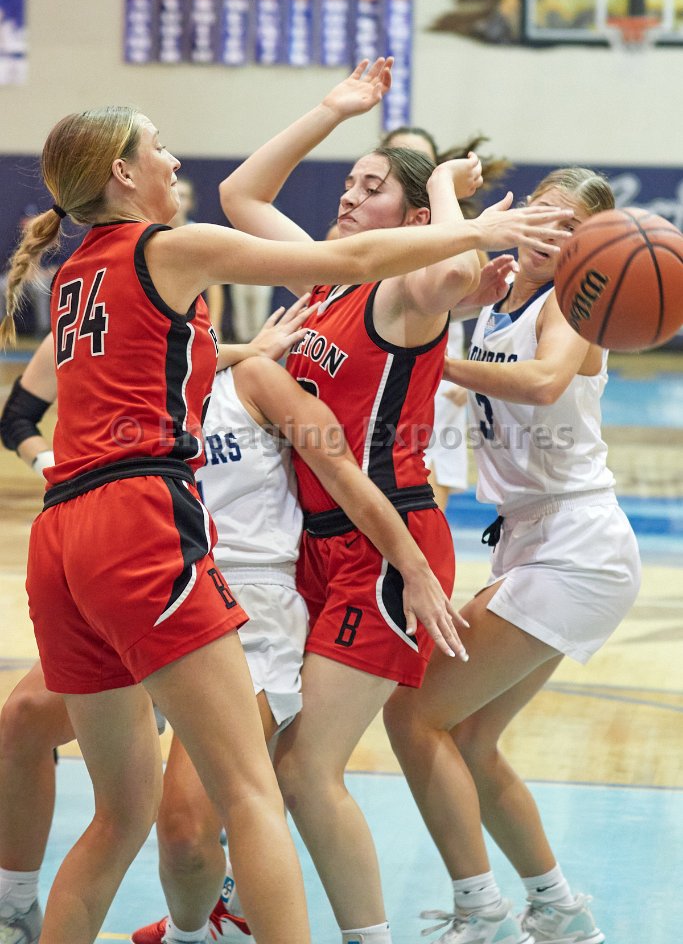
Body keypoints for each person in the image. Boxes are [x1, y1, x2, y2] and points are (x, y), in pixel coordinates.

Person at [0, 58, 570, 944]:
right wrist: (475, 224)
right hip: (141, 522)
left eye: (370, 184)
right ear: (122, 172)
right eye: (158, 147)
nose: (172, 159)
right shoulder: (173, 249)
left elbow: (165, 361)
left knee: (124, 815)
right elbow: (344, 254)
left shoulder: (78, 272)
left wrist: (374, 152)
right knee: (253, 791)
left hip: (68, 533)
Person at [218, 61, 573, 944]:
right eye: (348, 181)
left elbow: (452, 267)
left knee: (305, 770)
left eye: (370, 187)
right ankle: (239, 910)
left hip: (386, 547)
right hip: (314, 542)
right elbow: (238, 195)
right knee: (271, 761)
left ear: (413, 219)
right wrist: (331, 110)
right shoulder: (327, 276)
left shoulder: (406, 292)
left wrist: (447, 186)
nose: (348, 196)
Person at [0, 323, 461, 944]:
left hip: (250, 599)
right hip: (149, 578)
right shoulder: (138, 390)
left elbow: (344, 473)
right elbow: (25, 419)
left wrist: (414, 564)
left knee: (186, 832)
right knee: (23, 716)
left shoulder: (255, 381)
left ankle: (197, 930)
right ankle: (14, 904)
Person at [382, 167, 642, 944]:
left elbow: (540, 381)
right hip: (534, 539)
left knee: (412, 715)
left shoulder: (576, 303)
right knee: (466, 737)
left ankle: (480, 910)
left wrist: (430, 357)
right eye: (540, 214)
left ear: (590, 248)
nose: (548, 232)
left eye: (569, 226)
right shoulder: (498, 301)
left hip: (575, 545)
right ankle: (557, 908)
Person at [379, 127, 513, 512]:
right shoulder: (350, 231)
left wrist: (467, 372)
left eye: (419, 160)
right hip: (374, 372)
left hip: (435, 376)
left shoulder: (456, 230)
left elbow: (486, 303)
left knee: (425, 504)